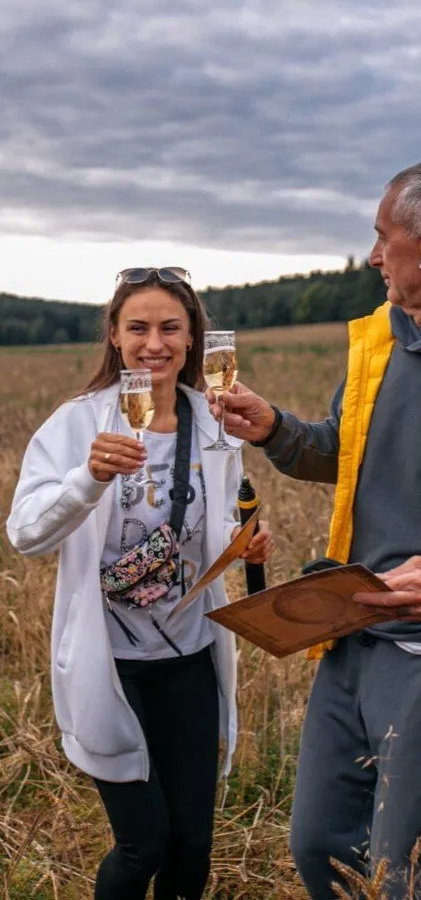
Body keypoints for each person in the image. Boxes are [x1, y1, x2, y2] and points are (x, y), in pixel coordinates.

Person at [208, 161, 421, 900]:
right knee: (319, 847)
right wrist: (275, 428)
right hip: (350, 644)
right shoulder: (377, 343)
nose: (373, 255)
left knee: (412, 878)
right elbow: (343, 450)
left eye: (382, 237)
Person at [7, 266, 273, 900]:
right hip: (112, 663)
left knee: (192, 847)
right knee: (142, 843)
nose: (154, 343)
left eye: (170, 328)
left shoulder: (211, 421)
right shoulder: (76, 424)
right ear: (114, 336)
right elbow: (25, 533)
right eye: (138, 328)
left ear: (192, 339)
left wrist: (245, 547)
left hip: (189, 658)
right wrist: (87, 479)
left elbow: (207, 531)